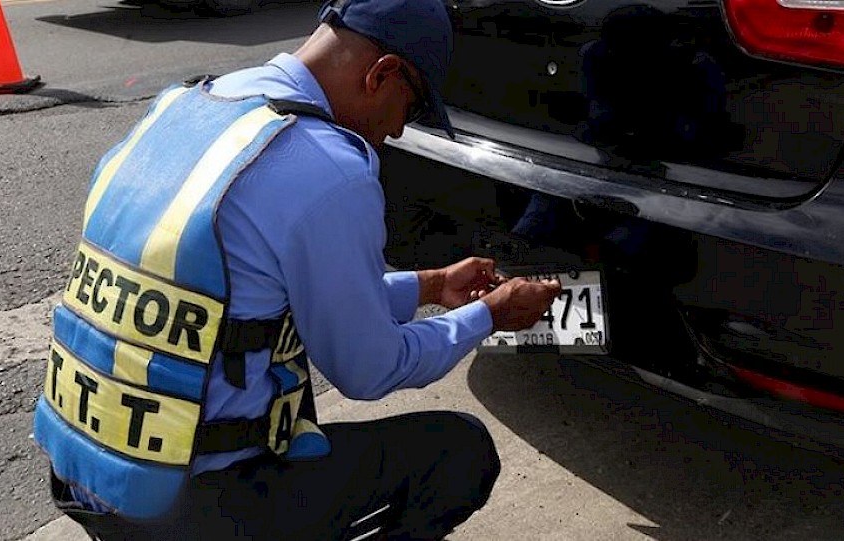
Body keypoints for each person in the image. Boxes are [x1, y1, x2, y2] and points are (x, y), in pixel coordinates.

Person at [32, 0, 561, 539]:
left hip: (85, 477)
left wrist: (428, 287)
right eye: (414, 105)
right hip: (185, 512)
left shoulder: (190, 103)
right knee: (459, 452)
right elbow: (370, 369)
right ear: (383, 75)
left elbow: (253, 294)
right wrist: (488, 317)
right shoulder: (328, 165)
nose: (401, 130)